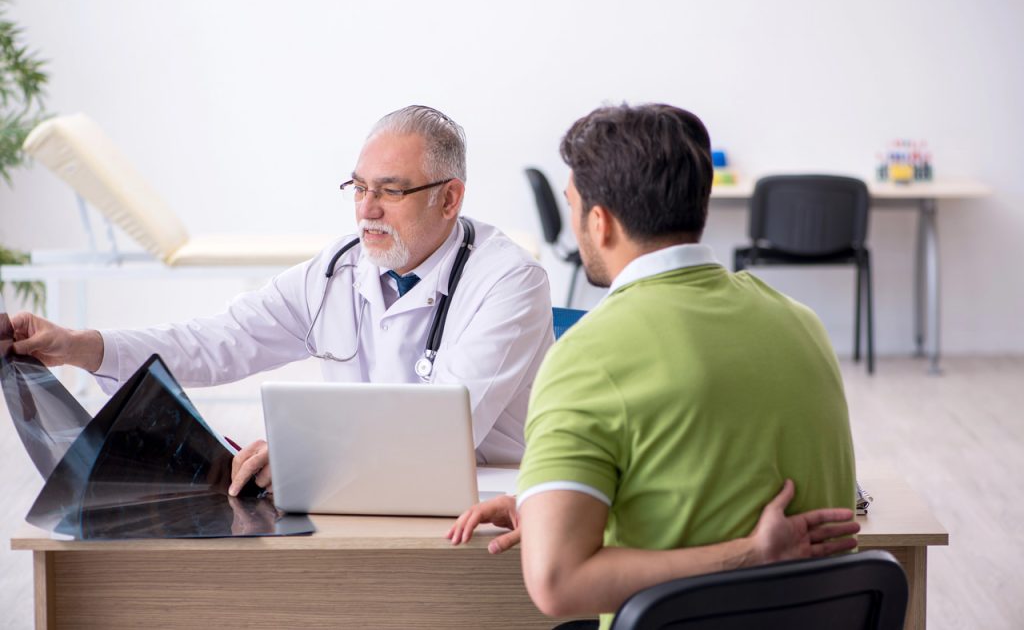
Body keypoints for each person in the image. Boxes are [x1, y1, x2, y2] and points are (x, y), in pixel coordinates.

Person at [446, 103, 857, 627]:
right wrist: (548, 498)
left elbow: (557, 582)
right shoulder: (802, 324)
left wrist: (750, 554)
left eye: (573, 206)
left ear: (601, 222)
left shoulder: (588, 355)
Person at [10, 105, 554, 492]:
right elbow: (219, 341)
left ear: (449, 198)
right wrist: (80, 345)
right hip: (359, 496)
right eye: (359, 188)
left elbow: (444, 428)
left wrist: (307, 454)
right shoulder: (338, 269)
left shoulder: (510, 281)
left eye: (390, 190)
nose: (367, 210)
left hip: (486, 505)